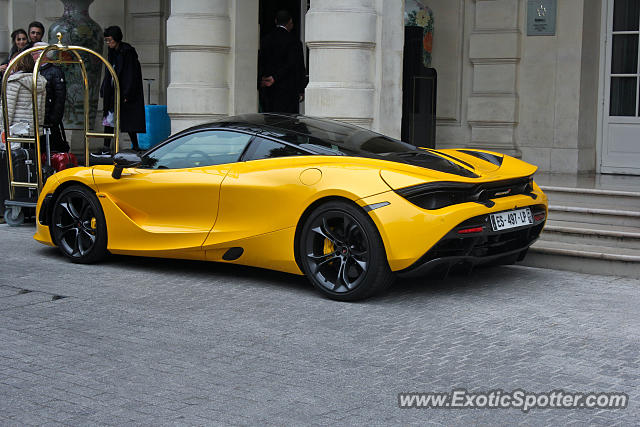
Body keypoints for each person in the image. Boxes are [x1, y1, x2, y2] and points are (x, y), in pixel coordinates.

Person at [96, 25, 145, 153]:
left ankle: (135, 145)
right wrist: (104, 88)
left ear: (116, 39)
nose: (108, 43)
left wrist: (127, 93)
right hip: (113, 89)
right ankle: (107, 146)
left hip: (124, 90)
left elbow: (130, 74)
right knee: (109, 117)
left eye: (110, 40)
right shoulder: (112, 52)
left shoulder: (127, 52)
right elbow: (109, 71)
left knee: (128, 119)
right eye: (106, 40)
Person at [258, 10, 308, 113]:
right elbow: (295, 65)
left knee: (270, 118)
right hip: (288, 90)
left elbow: (260, 60)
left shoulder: (265, 40)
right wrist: (301, 89)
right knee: (287, 121)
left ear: (276, 21)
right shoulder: (294, 41)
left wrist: (261, 79)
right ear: (290, 22)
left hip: (269, 89)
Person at [0, 53, 47, 139]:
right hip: (34, 130)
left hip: (15, 130)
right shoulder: (40, 81)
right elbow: (41, 108)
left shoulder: (14, 81)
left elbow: (7, 109)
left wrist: (3, 128)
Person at [32, 42, 68, 152]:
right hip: (37, 118)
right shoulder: (33, 70)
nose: (32, 55)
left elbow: (60, 98)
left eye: (34, 52)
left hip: (49, 119)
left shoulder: (55, 71)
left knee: (52, 149)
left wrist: (54, 119)